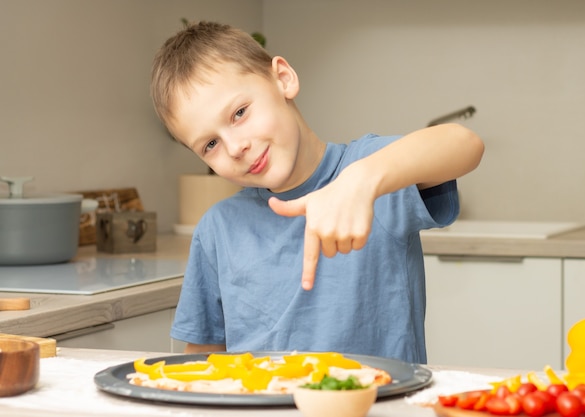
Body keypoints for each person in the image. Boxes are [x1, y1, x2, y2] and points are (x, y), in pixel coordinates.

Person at [151, 21, 484, 363]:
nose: (235, 147)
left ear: (283, 79)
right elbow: (201, 361)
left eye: (239, 113)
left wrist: (361, 181)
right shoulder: (217, 229)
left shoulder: (372, 171)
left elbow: (463, 144)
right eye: (210, 144)